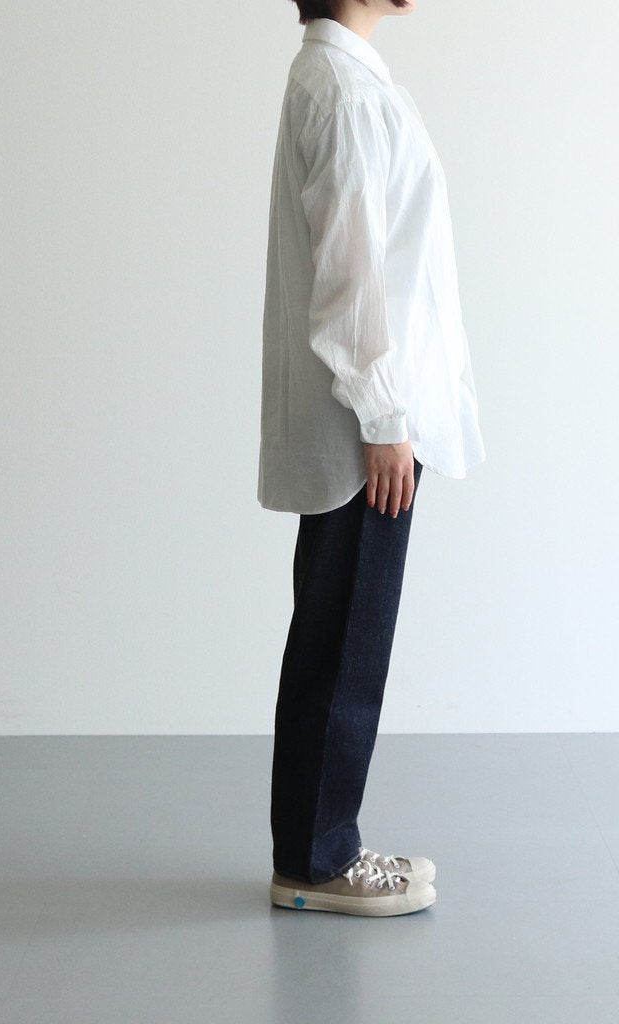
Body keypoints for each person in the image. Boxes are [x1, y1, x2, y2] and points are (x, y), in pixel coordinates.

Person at [258, 0, 486, 916]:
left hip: (372, 411)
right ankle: (316, 864)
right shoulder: (344, 93)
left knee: (340, 631)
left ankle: (321, 844)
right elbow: (348, 277)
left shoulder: (344, 78)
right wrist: (387, 417)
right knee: (345, 637)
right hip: (368, 422)